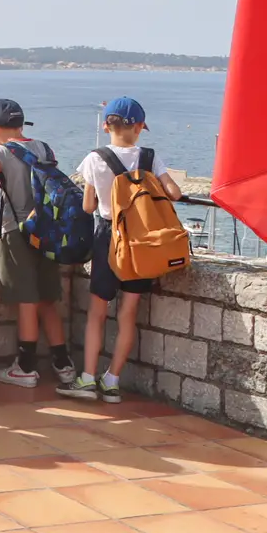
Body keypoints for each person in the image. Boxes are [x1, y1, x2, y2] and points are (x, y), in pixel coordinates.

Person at [64, 96, 182, 403]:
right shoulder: (150, 157)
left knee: (97, 313)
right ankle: (113, 381)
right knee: (128, 313)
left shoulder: (95, 158)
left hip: (107, 236)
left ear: (106, 125)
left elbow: (89, 206)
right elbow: (175, 193)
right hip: (140, 242)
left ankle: (88, 378)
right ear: (141, 127)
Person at [0, 99, 78, 389]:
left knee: (26, 298)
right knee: (48, 298)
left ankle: (25, 366)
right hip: (48, 229)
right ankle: (63, 363)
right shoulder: (44, 148)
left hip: (17, 230)